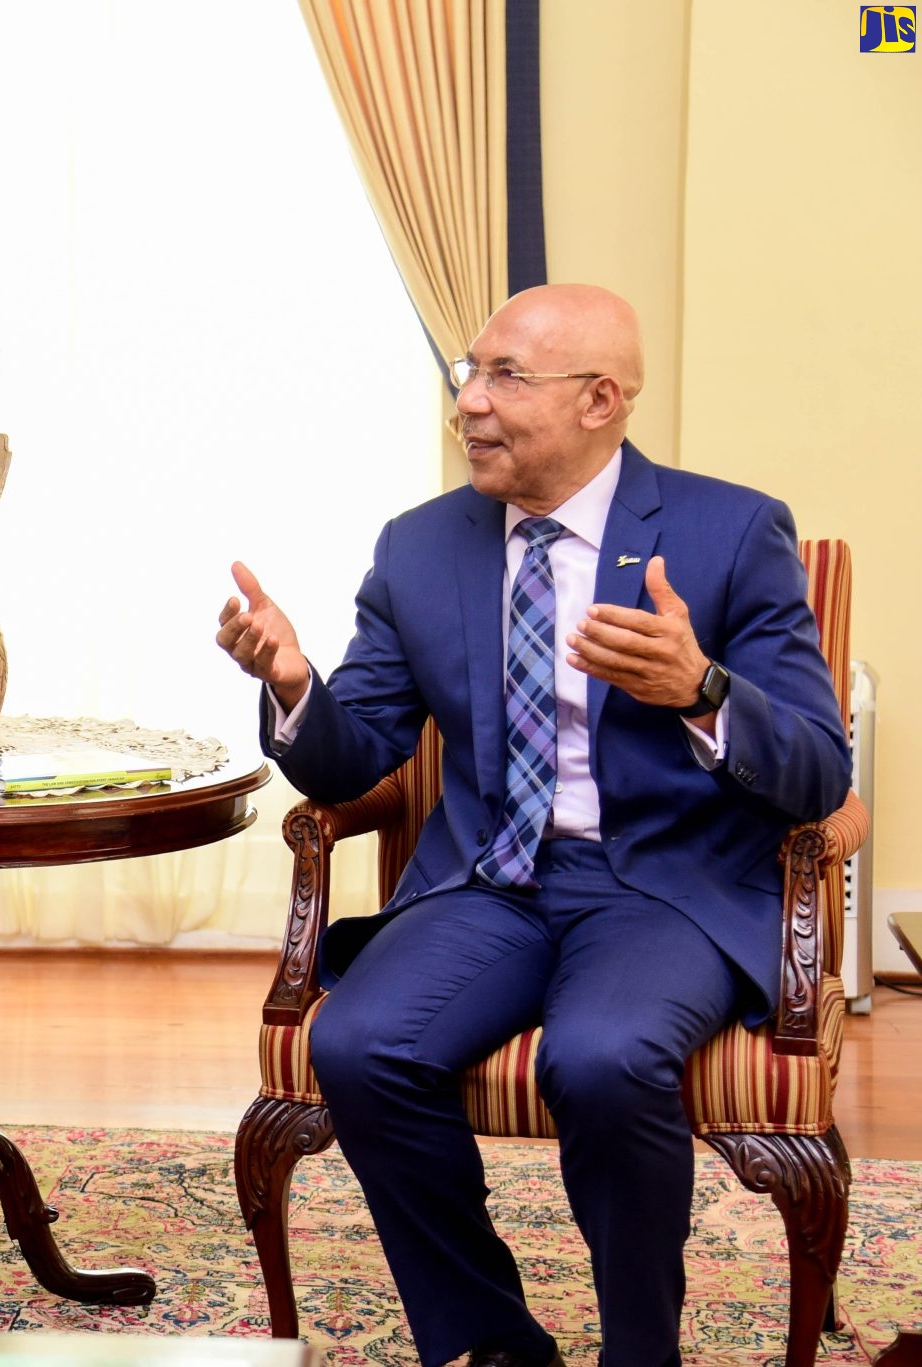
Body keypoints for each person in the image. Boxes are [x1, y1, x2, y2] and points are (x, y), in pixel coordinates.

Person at [215, 285, 850, 1367]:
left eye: (503, 375)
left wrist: (700, 688)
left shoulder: (729, 530)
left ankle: (637, 1352)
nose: (467, 402)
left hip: (662, 887)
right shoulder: (418, 546)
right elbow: (356, 750)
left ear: (600, 398)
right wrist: (292, 687)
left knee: (602, 1057)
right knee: (358, 1044)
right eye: (467, 373)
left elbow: (817, 764)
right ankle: (492, 1340)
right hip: (486, 880)